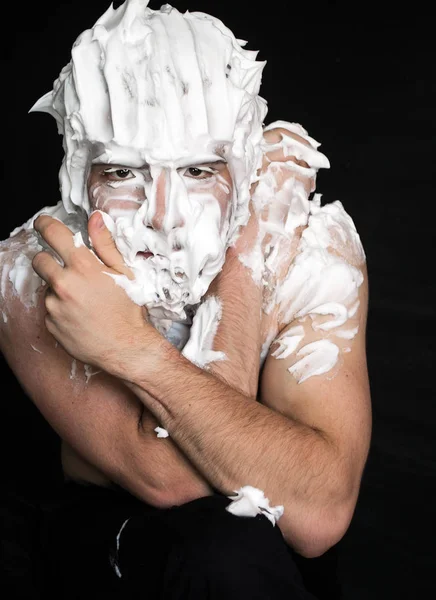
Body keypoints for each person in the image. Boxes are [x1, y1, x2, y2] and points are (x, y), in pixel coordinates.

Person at [0, 1, 371, 597]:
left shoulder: (308, 247)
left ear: (244, 163)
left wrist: (240, 261)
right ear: (76, 174)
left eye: (200, 171)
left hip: (272, 575)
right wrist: (244, 278)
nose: (164, 217)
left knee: (237, 554)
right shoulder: (32, 266)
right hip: (105, 551)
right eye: (122, 174)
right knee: (219, 548)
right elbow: (170, 479)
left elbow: (322, 512)